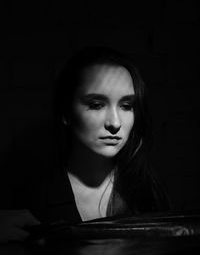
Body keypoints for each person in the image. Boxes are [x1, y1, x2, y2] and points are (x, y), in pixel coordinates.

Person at [0, 46, 170, 243]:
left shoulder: (147, 192)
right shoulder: (28, 198)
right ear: (66, 112)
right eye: (96, 105)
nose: (114, 123)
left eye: (126, 106)